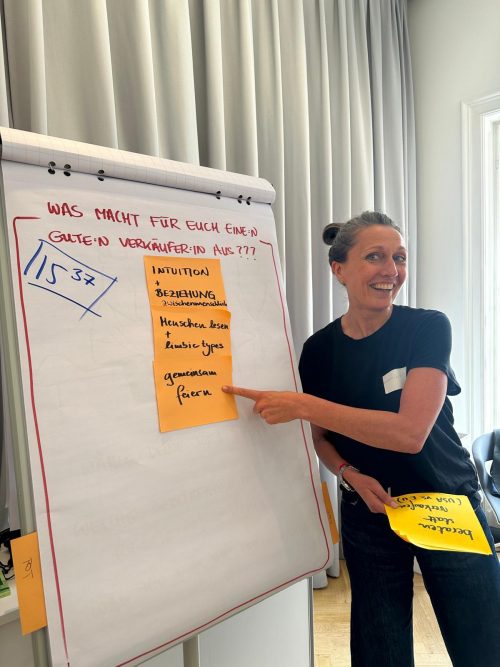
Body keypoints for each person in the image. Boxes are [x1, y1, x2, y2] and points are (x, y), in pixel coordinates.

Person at [223, 211, 500, 667]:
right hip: (370, 515)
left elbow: (410, 434)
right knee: (379, 652)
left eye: (399, 257)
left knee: (484, 645)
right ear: (339, 269)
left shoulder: (427, 327)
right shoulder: (318, 351)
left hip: (446, 503)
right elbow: (322, 440)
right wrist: (348, 472)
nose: (391, 270)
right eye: (375, 257)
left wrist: (304, 405)